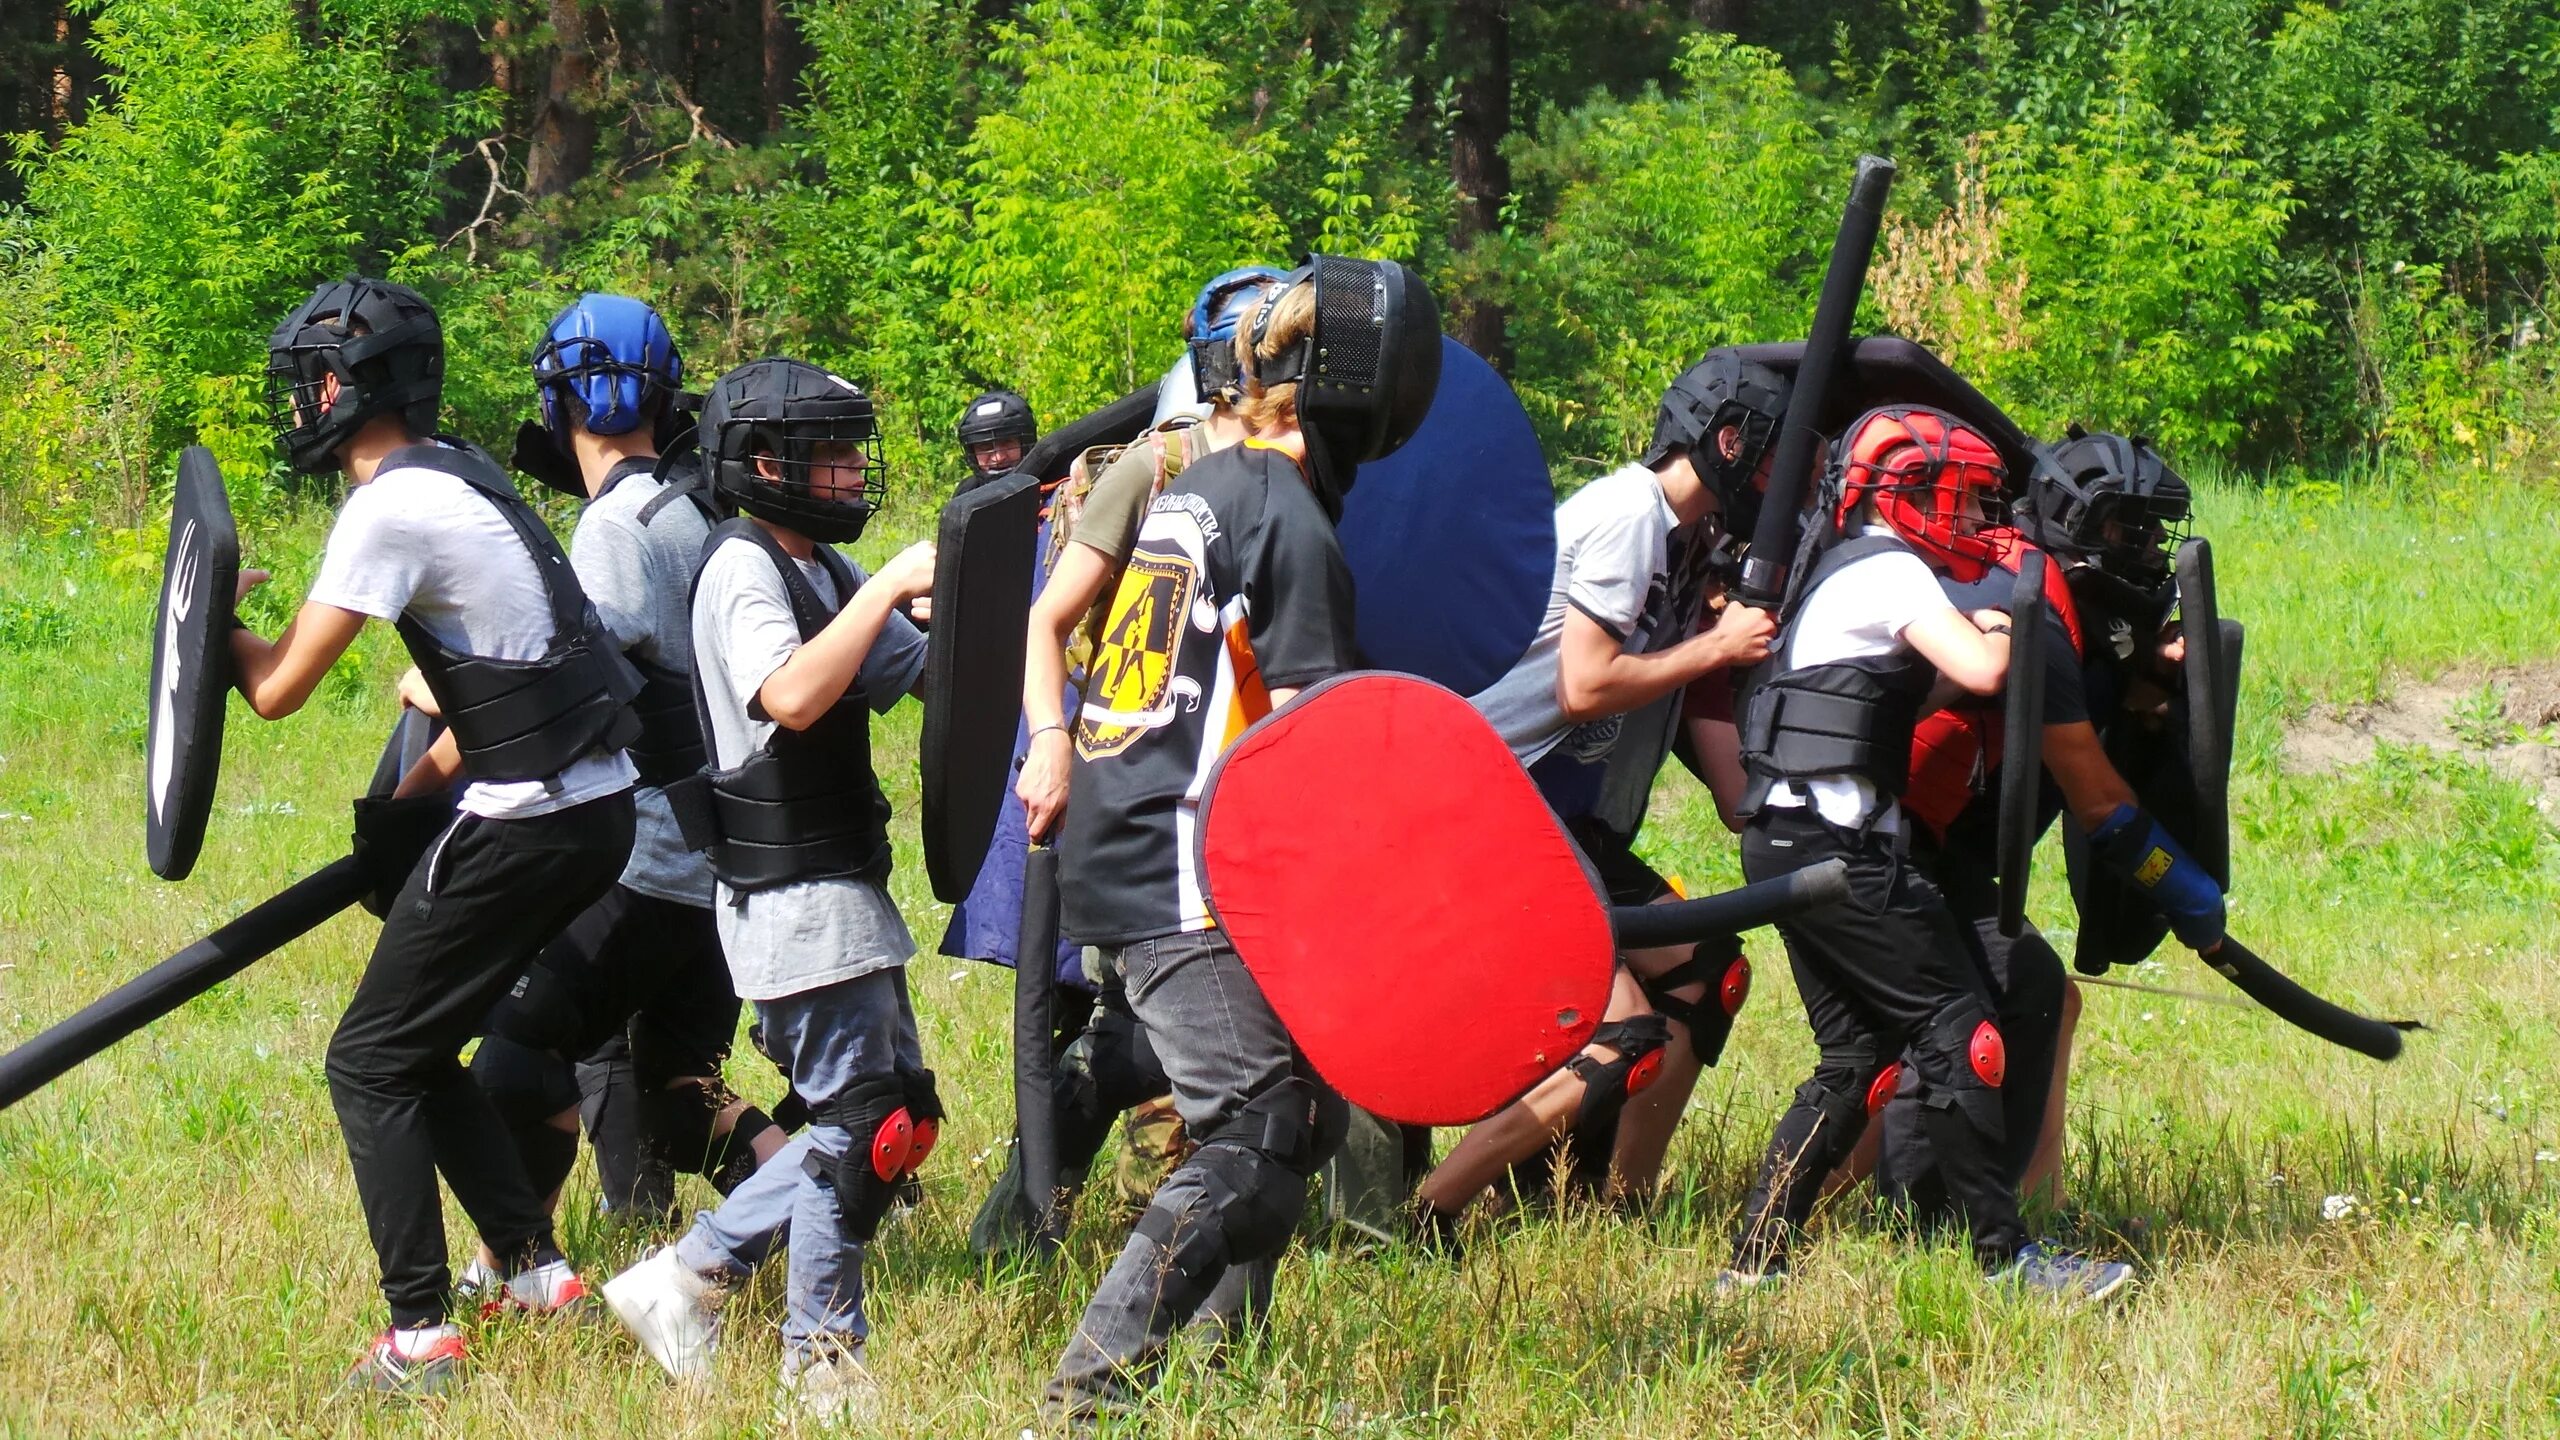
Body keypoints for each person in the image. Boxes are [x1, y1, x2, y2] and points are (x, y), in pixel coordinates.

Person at [1035, 258, 1435, 1425]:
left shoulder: (1211, 487)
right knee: (1260, 1123)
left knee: (1291, 1123)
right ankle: (1085, 1403)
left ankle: (1215, 1379)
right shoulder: (1288, 515)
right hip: (1178, 858)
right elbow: (1317, 747)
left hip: (1138, 839)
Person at [231, 277, 641, 1393]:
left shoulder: (388, 509)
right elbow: (504, 678)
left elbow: (274, 690)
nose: (304, 397)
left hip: (535, 819)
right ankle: (534, 1270)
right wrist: (414, 808)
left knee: (367, 1062)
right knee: (419, 1044)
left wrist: (206, 616)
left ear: (351, 387)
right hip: (594, 809)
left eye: (315, 376)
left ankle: (418, 1335)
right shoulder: (462, 468)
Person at [1721, 403, 2128, 1301]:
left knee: (1855, 1060)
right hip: (1835, 844)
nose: (1983, 522)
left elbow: (1922, 681)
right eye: (1972, 500)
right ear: (1913, 492)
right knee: (1962, 1032)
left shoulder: (1845, 566)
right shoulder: (1891, 570)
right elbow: (1981, 673)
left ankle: (1749, 1264)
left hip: (1789, 839)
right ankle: (2005, 1259)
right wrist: (2015, 623)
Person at [599, 357, 938, 1421]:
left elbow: (920, 672)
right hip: (790, 897)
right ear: (763, 463)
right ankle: (814, 1355)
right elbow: (788, 694)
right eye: (828, 455)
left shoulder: (823, 575)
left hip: (843, 888)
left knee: (898, 1119)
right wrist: (889, 581)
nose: (847, 475)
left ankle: (688, 1275)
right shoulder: (743, 567)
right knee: (861, 1122)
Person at [1410, 353, 1782, 1238]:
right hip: (1485, 796)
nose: (1774, 480)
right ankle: (1433, 1209)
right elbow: (1585, 684)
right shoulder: (1629, 516)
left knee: (1708, 975)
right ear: (1728, 440)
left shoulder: (1692, 541)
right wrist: (1720, 647)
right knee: (1626, 1035)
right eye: (1769, 457)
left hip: (1556, 809)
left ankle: (1620, 1214)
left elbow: (1702, 720)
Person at [459, 294, 789, 1262]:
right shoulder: (704, 508)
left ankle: (514, 1270)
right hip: (721, 870)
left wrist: (446, 692)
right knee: (680, 1099)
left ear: (559, 405)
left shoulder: (615, 529)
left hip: (643, 865)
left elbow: (567, 682)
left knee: (521, 1055)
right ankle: (822, 1209)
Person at [972, 265, 1286, 1257]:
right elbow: (1049, 620)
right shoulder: (1153, 471)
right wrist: (1053, 743)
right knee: (1133, 1032)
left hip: (1240, 781)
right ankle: (1045, 1225)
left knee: (1184, 1025)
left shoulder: (1300, 470)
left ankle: (1171, 1201)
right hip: (1143, 782)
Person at [1866, 428, 2215, 1217]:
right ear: (2080, 524)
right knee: (1929, 1032)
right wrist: (2181, 885)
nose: (2151, 550)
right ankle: (1887, 1217)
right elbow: (2098, 801)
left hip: (1933, 854)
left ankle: (2032, 1203)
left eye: (2156, 531)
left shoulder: (2069, 615)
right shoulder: (2026, 605)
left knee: (2037, 992)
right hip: (1882, 849)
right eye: (2133, 531)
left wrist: (2147, 682)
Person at [959, 387, 1039, 481]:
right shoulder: (966, 492)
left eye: (1007, 442)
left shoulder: (1054, 489)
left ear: (1026, 442)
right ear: (972, 453)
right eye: (985, 446)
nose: (999, 457)